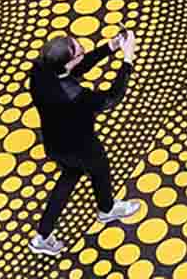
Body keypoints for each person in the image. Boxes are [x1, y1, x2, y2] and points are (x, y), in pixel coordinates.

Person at [29, 30, 141, 256]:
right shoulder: (74, 96)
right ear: (68, 62)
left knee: (69, 177)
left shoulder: (41, 71)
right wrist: (127, 59)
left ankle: (42, 235)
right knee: (100, 169)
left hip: (55, 142)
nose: (83, 49)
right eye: (79, 51)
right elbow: (111, 98)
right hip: (82, 145)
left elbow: (76, 68)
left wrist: (110, 47)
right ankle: (107, 209)